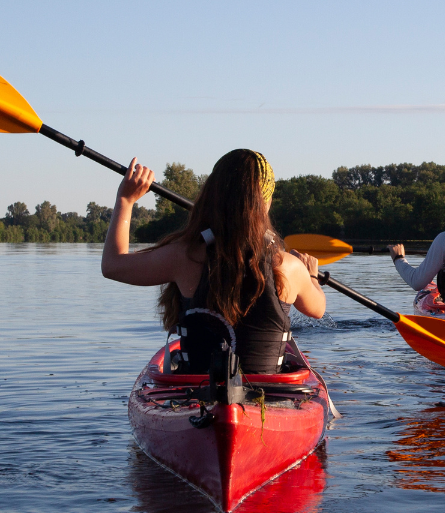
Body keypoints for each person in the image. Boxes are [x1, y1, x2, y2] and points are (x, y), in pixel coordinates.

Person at [100, 149, 325, 375]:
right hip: (270, 397)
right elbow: (318, 310)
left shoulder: (184, 256)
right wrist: (311, 276)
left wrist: (126, 200)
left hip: (196, 397)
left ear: (212, 195)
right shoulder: (288, 266)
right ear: (266, 201)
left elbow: (113, 265)